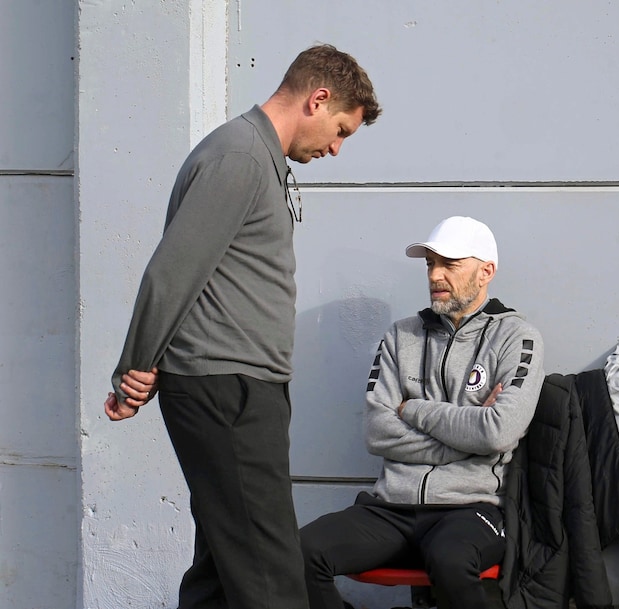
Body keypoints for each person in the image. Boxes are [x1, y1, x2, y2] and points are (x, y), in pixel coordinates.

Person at [103, 43, 381, 609]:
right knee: (269, 574)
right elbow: (173, 269)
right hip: (225, 389)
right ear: (318, 98)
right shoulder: (239, 157)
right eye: (341, 130)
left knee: (222, 568)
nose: (335, 147)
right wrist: (135, 365)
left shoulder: (260, 160)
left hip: (242, 387)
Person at [300, 216, 546, 609]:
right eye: (430, 263)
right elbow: (378, 433)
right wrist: (467, 438)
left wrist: (412, 409)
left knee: (450, 560)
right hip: (391, 508)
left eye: (450, 264)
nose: (436, 275)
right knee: (300, 553)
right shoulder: (401, 335)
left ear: (486, 272)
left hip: (472, 509)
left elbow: (498, 433)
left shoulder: (517, 336)